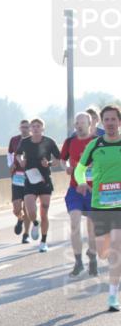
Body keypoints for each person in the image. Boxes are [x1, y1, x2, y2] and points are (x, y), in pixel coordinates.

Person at [73, 105, 121, 312]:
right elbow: (79, 170)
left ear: (119, 122)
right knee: (103, 252)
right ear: (102, 122)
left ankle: (112, 296)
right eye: (107, 119)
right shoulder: (95, 145)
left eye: (114, 119)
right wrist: (82, 182)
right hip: (100, 204)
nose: (110, 123)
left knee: (116, 250)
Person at [15, 118, 61, 252]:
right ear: (30, 129)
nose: (35, 128)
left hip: (45, 180)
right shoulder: (25, 142)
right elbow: (18, 155)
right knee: (30, 211)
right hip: (30, 179)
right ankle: (35, 223)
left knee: (44, 212)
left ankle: (43, 242)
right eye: (33, 126)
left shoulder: (49, 141)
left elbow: (58, 159)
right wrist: (21, 160)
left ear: (42, 128)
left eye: (38, 126)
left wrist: (50, 164)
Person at [61, 113, 98, 276]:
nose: (79, 126)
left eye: (82, 123)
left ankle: (93, 256)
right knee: (74, 223)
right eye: (77, 123)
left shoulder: (97, 142)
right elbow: (63, 159)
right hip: (75, 189)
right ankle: (78, 262)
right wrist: (66, 167)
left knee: (92, 229)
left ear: (90, 124)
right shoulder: (70, 142)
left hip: (94, 190)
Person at [7, 119, 37, 241]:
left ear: (30, 129)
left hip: (30, 177)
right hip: (17, 176)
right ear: (19, 128)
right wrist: (10, 165)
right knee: (16, 207)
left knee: (27, 207)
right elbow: (9, 154)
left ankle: (26, 234)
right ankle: (20, 219)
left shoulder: (34, 141)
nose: (24, 129)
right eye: (22, 127)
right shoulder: (14, 140)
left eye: (26, 127)